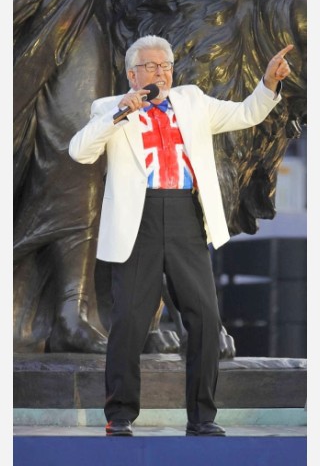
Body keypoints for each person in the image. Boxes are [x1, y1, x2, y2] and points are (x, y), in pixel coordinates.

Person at [69, 35, 292, 437]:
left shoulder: (191, 100)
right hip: (140, 220)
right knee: (130, 322)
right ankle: (119, 415)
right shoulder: (109, 108)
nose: (161, 73)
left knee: (205, 318)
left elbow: (246, 113)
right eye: (152, 67)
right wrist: (119, 113)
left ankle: (202, 417)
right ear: (132, 73)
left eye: (166, 66)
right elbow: (79, 151)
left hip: (187, 215)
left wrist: (269, 82)